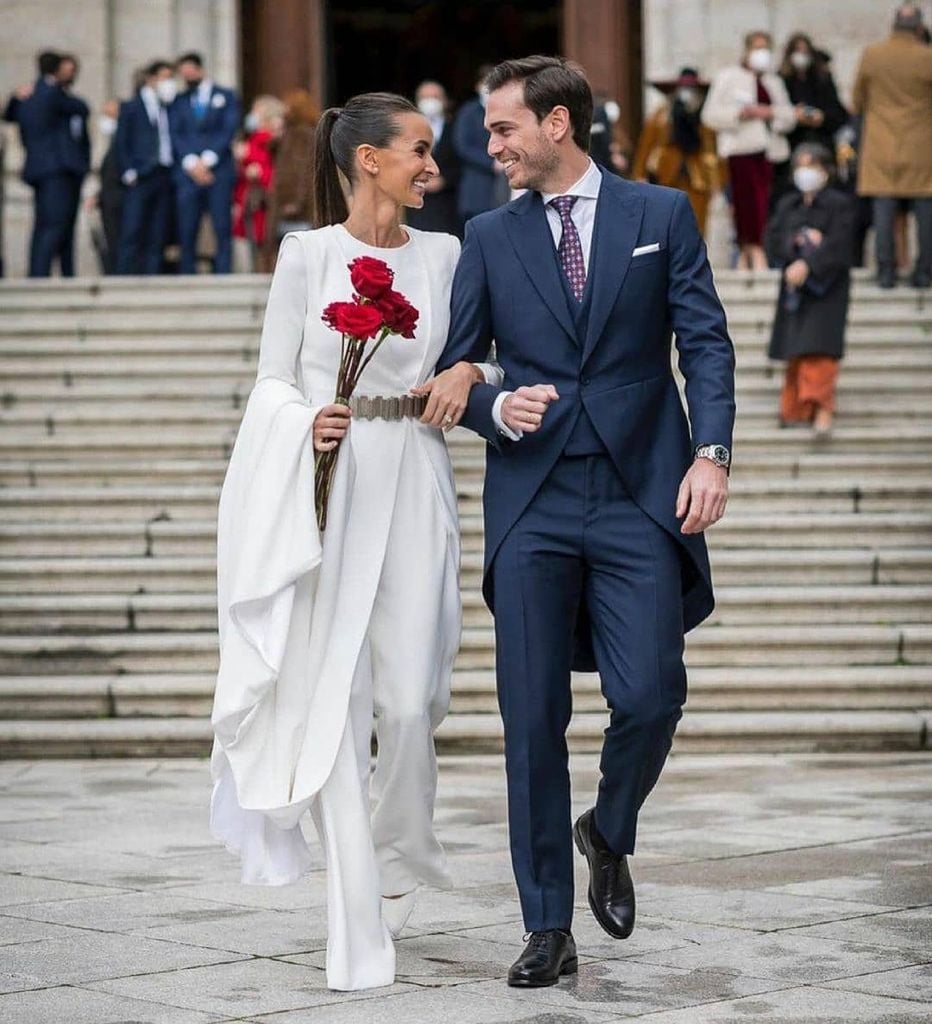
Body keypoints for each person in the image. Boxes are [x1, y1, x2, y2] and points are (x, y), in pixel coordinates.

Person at [433, 55, 735, 988]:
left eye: (503, 129)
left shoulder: (659, 214)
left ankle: (607, 827)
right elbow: (456, 367)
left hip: (643, 489)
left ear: (558, 125)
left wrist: (711, 452)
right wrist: (492, 409)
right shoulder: (487, 232)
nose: (490, 147)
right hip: (533, 501)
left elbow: (705, 339)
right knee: (532, 717)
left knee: (650, 695)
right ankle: (545, 925)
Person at [210, 91, 498, 992]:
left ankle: (397, 851)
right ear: (369, 159)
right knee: (334, 693)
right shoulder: (306, 254)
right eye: (417, 149)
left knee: (410, 701)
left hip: (413, 475)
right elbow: (270, 378)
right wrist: (305, 422)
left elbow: (499, 349)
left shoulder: (450, 254)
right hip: (326, 488)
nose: (433, 163)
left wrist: (467, 368)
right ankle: (356, 918)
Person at [765, 144, 855, 437]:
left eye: (812, 165)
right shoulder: (788, 204)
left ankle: (823, 408)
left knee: (819, 348)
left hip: (827, 286)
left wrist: (811, 261)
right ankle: (796, 409)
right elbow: (774, 239)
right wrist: (796, 246)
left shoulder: (839, 204)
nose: (805, 172)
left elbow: (842, 243)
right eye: (800, 166)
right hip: (794, 285)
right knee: (795, 347)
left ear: (825, 170)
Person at [852, 3, 932, 288]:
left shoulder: (873, 55)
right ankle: (924, 272)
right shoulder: (927, 57)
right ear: (919, 27)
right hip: (922, 145)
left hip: (880, 142)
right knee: (925, 212)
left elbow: (857, 100)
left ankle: (885, 272)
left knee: (883, 210)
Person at [702, 31, 795, 269]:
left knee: (765, 205)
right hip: (740, 151)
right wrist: (740, 114)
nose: (761, 53)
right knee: (744, 206)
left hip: (769, 152)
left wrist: (769, 114)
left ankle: (757, 250)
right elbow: (710, 115)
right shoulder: (729, 77)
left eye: (766, 48)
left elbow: (788, 116)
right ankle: (749, 252)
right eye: (757, 47)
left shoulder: (774, 81)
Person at [14, 50, 90, 277]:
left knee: (49, 224)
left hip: (42, 169)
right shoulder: (51, 92)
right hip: (57, 168)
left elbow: (10, 113)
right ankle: (40, 275)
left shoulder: (28, 94)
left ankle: (48, 272)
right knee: (55, 225)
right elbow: (82, 107)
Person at [168, 51, 240, 273]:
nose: (187, 77)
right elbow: (175, 134)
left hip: (218, 171)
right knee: (187, 228)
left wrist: (207, 160)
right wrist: (191, 163)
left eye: (189, 72)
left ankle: (223, 273)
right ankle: (187, 274)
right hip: (188, 174)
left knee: (221, 225)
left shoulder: (225, 96)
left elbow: (228, 129)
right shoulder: (178, 101)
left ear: (199, 69)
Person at [632, 67, 721, 235]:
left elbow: (714, 149)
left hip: (699, 177)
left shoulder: (706, 117)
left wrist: (718, 181)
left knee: (697, 224)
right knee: (667, 222)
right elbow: (646, 145)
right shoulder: (662, 114)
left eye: (691, 89)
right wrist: (640, 174)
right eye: (683, 89)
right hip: (666, 173)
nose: (687, 93)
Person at [115, 60, 176, 274]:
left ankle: (153, 273)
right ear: (151, 79)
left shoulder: (169, 106)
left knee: (158, 231)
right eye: (164, 78)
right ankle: (124, 274)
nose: (168, 83)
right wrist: (128, 170)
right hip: (140, 176)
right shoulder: (131, 107)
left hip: (164, 174)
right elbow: (121, 142)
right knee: (132, 228)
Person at [773, 35, 849, 204]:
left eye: (805, 51)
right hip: (792, 145)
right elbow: (777, 115)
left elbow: (838, 114)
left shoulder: (822, 80)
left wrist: (821, 118)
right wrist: (795, 116)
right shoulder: (780, 81)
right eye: (797, 51)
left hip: (822, 143)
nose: (801, 56)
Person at [233, 94, 284, 272]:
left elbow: (276, 171)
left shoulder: (272, 141)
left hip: (264, 200)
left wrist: (258, 172)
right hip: (250, 198)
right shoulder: (251, 139)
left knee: (266, 244)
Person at [406, 80, 462, 237]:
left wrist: (445, 180)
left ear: (444, 101)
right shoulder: (407, 131)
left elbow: (464, 160)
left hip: (449, 203)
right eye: (425, 97)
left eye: (435, 97)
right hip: (418, 205)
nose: (430, 102)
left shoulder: (456, 127)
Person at [266, 88, 318, 255]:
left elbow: (305, 171)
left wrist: (297, 201)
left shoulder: (303, 135)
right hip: (285, 199)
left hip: (295, 202)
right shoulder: (288, 133)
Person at [453, 64, 505, 222]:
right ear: (478, 86)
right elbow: (462, 146)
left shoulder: (507, 109)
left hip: (504, 182)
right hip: (477, 184)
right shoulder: (468, 112)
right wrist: (491, 163)